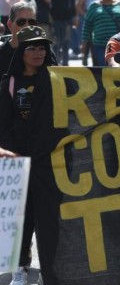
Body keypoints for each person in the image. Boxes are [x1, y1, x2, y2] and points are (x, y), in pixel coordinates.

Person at [0, 25, 56, 285]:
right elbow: (3, 123)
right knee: (21, 220)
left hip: (50, 160)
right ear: (21, 52)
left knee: (51, 218)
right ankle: (21, 268)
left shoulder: (58, 79)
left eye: (42, 48)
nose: (38, 53)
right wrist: (11, 153)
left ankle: (50, 269)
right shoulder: (9, 83)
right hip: (19, 160)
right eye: (32, 48)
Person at [81, 0, 120, 66]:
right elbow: (87, 26)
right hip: (99, 45)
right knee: (103, 69)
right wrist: (84, 44)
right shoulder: (94, 6)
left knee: (117, 69)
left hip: (118, 44)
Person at [0, 1, 38, 78]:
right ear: (10, 24)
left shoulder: (44, 51)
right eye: (21, 22)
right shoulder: (1, 53)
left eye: (32, 22)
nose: (27, 26)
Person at [49, 0, 76, 66]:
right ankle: (56, 63)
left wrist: (75, 16)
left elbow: (73, 1)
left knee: (66, 41)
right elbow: (49, 2)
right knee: (55, 42)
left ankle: (65, 63)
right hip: (55, 16)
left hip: (67, 16)